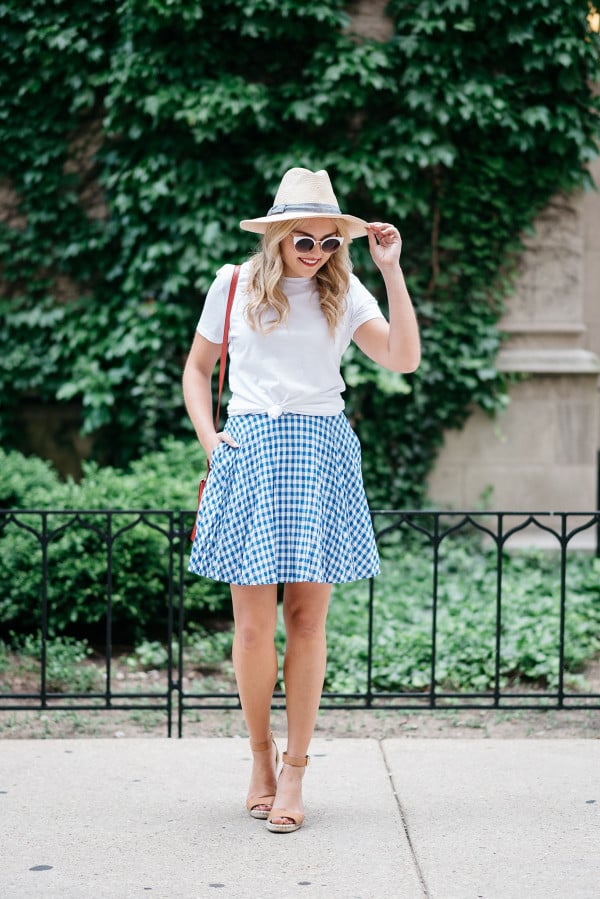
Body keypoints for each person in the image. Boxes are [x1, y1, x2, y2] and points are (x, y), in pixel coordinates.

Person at [182, 167, 420, 833]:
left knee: (307, 623)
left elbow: (402, 358)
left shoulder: (347, 297)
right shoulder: (232, 284)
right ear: (280, 236)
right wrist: (211, 439)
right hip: (250, 452)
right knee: (255, 627)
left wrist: (390, 270)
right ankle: (259, 756)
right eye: (305, 241)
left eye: (330, 243)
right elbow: (197, 371)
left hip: (320, 454)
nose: (316, 253)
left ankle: (295, 768)